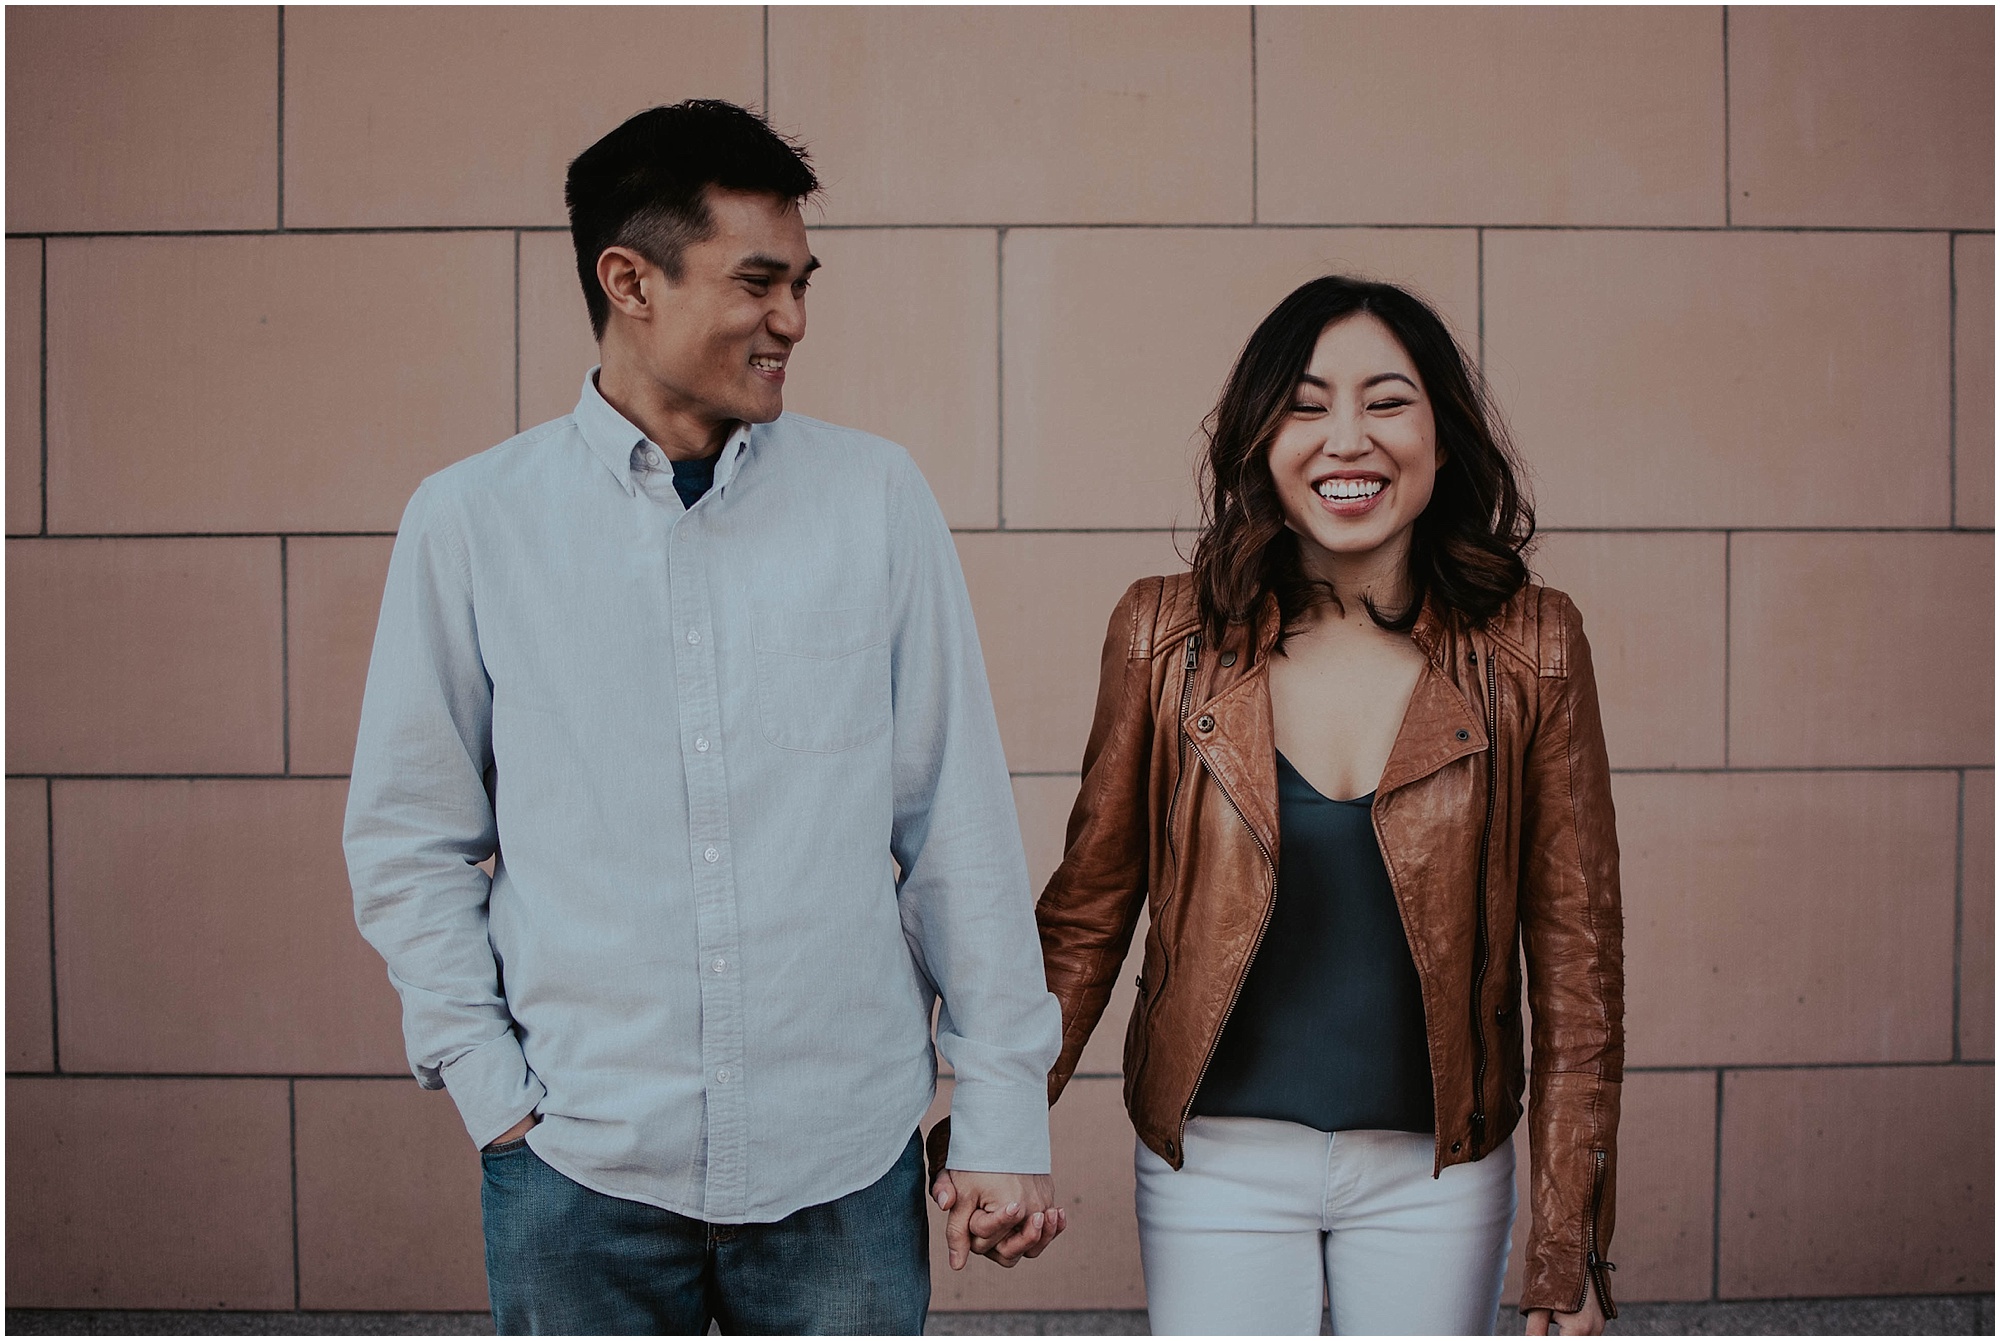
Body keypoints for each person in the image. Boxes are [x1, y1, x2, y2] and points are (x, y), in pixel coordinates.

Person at [344, 100, 1064, 1336]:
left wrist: (1000, 1115)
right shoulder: (471, 523)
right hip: (578, 1171)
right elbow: (409, 840)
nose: (791, 319)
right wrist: (494, 1095)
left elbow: (956, 830)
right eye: (756, 282)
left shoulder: (874, 500)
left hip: (843, 1167)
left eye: (800, 283)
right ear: (627, 278)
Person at [1002, 275, 1624, 1334]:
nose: (1348, 438)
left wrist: (1567, 1253)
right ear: (1258, 437)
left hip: (1439, 1173)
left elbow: (1577, 970)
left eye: (1386, 402)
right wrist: (997, 1127)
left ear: (1441, 433)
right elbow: (1085, 913)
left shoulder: (1533, 646)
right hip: (1215, 1167)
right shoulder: (1165, 638)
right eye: (1304, 404)